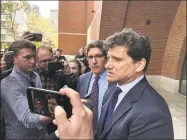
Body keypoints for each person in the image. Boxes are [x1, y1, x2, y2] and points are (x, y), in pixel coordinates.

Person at [54, 28, 174, 139]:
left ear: (139, 64)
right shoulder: (113, 91)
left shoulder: (153, 114)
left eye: (117, 59)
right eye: (109, 58)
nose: (107, 65)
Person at [1, 39, 51, 139]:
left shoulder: (35, 76)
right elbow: (28, 118)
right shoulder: (8, 82)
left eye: (34, 57)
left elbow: (40, 105)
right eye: (27, 57)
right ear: (14, 59)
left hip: (41, 134)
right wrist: (57, 114)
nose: (33, 61)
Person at [77, 40, 115, 137]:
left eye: (98, 56)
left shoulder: (115, 80)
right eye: (90, 57)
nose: (94, 61)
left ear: (106, 58)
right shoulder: (82, 79)